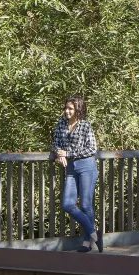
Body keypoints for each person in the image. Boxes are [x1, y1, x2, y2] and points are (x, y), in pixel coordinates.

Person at [53, 95, 101, 252]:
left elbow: (91, 149)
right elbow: (56, 144)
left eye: (70, 109)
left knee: (86, 205)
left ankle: (87, 243)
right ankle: (95, 234)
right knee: (67, 204)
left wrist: (68, 153)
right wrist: (60, 154)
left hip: (87, 166)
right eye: (66, 108)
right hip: (71, 168)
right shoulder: (61, 124)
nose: (67, 111)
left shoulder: (85, 126)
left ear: (78, 110)